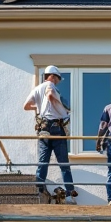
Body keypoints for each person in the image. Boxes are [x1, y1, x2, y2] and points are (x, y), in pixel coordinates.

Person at [23, 65, 77, 200]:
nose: (58, 81)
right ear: (52, 76)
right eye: (57, 78)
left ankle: (39, 191)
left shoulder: (36, 89)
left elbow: (26, 106)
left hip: (44, 128)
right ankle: (70, 191)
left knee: (43, 161)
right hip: (55, 127)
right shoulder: (51, 86)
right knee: (63, 162)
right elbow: (51, 95)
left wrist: (40, 107)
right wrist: (60, 109)